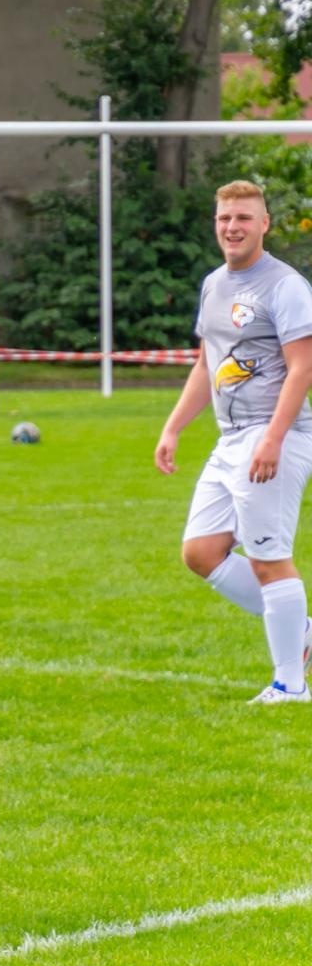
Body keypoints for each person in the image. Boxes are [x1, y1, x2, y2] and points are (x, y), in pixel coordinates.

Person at [155, 179, 312, 704]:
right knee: (200, 551)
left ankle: (290, 684)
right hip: (230, 440)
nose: (233, 227)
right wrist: (174, 427)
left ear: (264, 223)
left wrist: (273, 438)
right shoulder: (213, 284)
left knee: (270, 557)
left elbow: (302, 368)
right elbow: (208, 362)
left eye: (244, 218)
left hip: (274, 437)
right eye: (225, 218)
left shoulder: (285, 286)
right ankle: (303, 631)